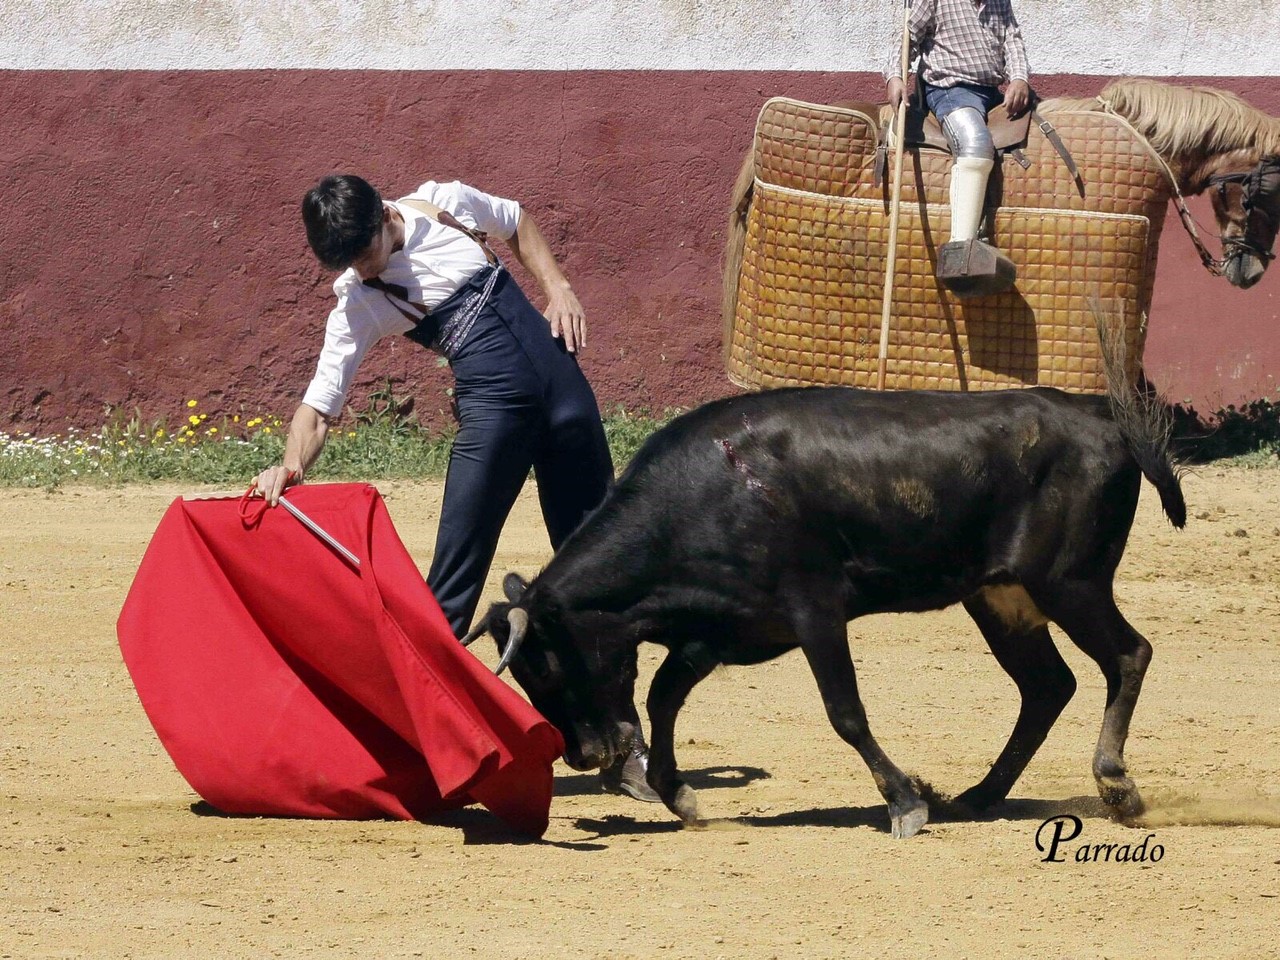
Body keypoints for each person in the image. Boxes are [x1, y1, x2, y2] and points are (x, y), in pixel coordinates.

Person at [252, 174, 659, 803]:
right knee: (448, 591)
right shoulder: (358, 300)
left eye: (366, 255)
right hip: (493, 415)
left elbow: (518, 220)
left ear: (386, 215)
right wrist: (291, 466)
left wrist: (559, 288)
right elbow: (319, 405)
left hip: (566, 397)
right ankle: (426, 755)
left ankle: (622, 741)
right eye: (350, 264)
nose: (362, 271)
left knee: (601, 578)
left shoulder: (443, 200)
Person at [884, 0, 1031, 288]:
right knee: (975, 142)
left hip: (991, 92)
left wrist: (1019, 78)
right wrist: (895, 76)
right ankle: (961, 252)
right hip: (948, 89)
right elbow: (906, 37)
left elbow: (1013, 42)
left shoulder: (999, 2)